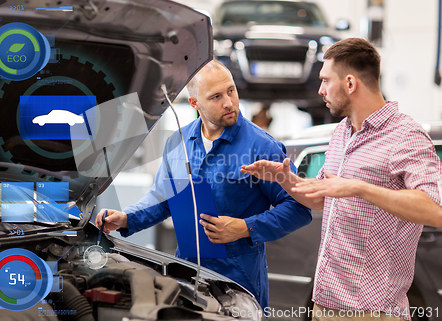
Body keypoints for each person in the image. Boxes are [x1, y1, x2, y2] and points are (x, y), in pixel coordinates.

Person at [241, 38, 442, 320]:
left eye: (325, 80)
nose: (320, 89)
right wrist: (286, 180)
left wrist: (358, 188)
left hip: (373, 312)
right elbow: (323, 198)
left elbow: (434, 210)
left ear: (350, 84)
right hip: (324, 305)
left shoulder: (405, 136)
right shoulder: (341, 133)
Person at [95, 60, 312, 310]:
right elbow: (164, 198)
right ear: (195, 103)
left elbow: (299, 208)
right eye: (216, 96)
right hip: (185, 274)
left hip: (238, 280)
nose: (229, 102)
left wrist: (245, 227)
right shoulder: (178, 141)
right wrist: (126, 217)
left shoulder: (262, 147)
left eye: (231, 90)